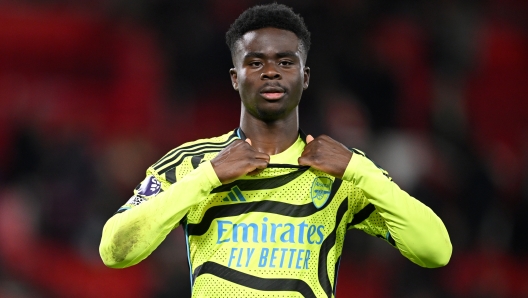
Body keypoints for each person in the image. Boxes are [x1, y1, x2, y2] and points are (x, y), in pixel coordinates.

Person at [99, 3, 452, 297]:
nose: (271, 72)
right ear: (235, 77)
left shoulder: (343, 170)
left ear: (306, 76)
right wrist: (206, 177)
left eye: (285, 62)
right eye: (255, 63)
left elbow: (436, 251)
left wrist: (360, 171)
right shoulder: (193, 162)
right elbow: (114, 251)